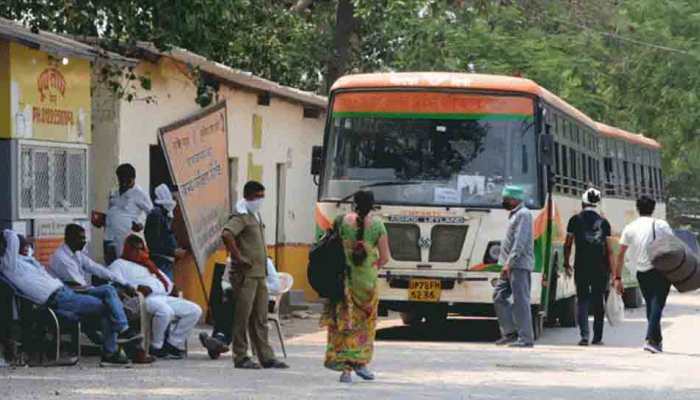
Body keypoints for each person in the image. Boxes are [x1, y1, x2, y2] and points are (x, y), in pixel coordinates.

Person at [0, 230, 136, 366]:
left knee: (108, 290)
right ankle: (112, 348)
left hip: (66, 291)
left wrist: (25, 246)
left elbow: (27, 252)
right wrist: (4, 232)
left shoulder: (24, 261)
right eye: (22, 246)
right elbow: (12, 237)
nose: (27, 248)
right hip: (58, 299)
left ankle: (121, 328)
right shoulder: (9, 266)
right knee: (108, 307)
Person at [48, 224, 152, 363]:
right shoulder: (61, 257)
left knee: (110, 302)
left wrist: (123, 283)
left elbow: (97, 268)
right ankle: (121, 337)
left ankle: (113, 349)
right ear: (69, 239)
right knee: (109, 297)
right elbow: (78, 285)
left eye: (84, 238)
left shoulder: (77, 253)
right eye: (80, 238)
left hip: (81, 292)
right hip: (70, 296)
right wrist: (106, 290)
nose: (84, 241)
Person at [321, 190, 390, 383]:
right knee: (365, 326)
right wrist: (371, 266)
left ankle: (345, 370)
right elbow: (385, 258)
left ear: (354, 203)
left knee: (344, 324)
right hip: (367, 283)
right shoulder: (378, 225)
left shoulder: (342, 221)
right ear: (373, 205)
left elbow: (329, 244)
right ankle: (361, 364)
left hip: (344, 281)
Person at [221, 181, 288, 369]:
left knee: (260, 317)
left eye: (262, 196)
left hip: (259, 274)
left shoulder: (254, 215)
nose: (260, 200)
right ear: (248, 196)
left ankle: (266, 356)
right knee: (243, 316)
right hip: (245, 275)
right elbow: (227, 234)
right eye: (258, 196)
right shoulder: (241, 215)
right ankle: (241, 356)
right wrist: (238, 257)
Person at [109, 235, 201, 359]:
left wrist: (171, 287)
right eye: (135, 249)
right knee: (165, 311)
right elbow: (115, 283)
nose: (139, 252)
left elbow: (165, 280)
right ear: (127, 249)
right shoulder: (119, 264)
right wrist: (136, 287)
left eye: (141, 249)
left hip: (163, 296)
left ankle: (173, 344)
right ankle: (156, 347)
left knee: (194, 310)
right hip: (142, 299)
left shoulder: (148, 263)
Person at [615, 195, 674, 354]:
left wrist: (617, 278)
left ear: (637, 208)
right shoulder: (661, 224)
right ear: (653, 209)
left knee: (651, 304)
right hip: (660, 270)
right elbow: (672, 245)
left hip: (641, 272)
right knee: (657, 304)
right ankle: (649, 339)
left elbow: (620, 254)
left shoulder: (630, 227)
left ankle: (657, 341)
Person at [198, 257, 282, 359]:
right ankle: (218, 341)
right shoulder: (232, 261)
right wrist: (233, 287)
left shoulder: (264, 262)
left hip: (263, 300)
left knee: (234, 305)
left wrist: (251, 286)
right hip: (238, 298)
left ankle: (220, 340)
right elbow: (224, 282)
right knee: (229, 301)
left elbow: (276, 286)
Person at [564, 188, 614, 346]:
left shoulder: (575, 220)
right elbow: (610, 250)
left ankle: (584, 335)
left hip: (582, 265)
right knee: (598, 300)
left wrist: (566, 263)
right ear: (598, 203)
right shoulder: (604, 223)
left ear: (583, 202)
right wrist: (613, 272)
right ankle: (597, 337)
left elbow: (568, 244)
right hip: (601, 267)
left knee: (583, 299)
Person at [493, 185, 535, 348]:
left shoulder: (524, 215)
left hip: (518, 265)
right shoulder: (514, 215)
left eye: (506, 199)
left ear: (515, 199)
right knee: (499, 296)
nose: (504, 202)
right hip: (509, 265)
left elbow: (520, 241)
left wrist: (509, 263)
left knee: (521, 301)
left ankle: (526, 338)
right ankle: (510, 333)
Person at [104, 163, 153, 265]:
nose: (123, 184)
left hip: (125, 239)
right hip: (109, 236)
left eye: (126, 181)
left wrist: (141, 224)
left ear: (132, 179)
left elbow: (152, 214)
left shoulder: (140, 194)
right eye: (121, 180)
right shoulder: (114, 192)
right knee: (110, 266)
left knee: (123, 266)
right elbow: (111, 211)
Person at [145, 184, 180, 281]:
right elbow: (154, 242)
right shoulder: (156, 214)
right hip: (160, 261)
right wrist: (173, 251)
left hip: (165, 260)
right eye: (173, 197)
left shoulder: (163, 215)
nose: (174, 201)